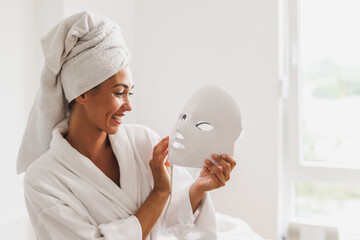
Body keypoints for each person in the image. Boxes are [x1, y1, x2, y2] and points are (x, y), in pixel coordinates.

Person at [17, 11, 236, 240]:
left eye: (130, 92)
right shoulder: (42, 180)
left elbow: (169, 222)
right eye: (119, 92)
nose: (129, 106)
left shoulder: (144, 141)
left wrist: (199, 187)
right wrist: (160, 192)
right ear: (82, 92)